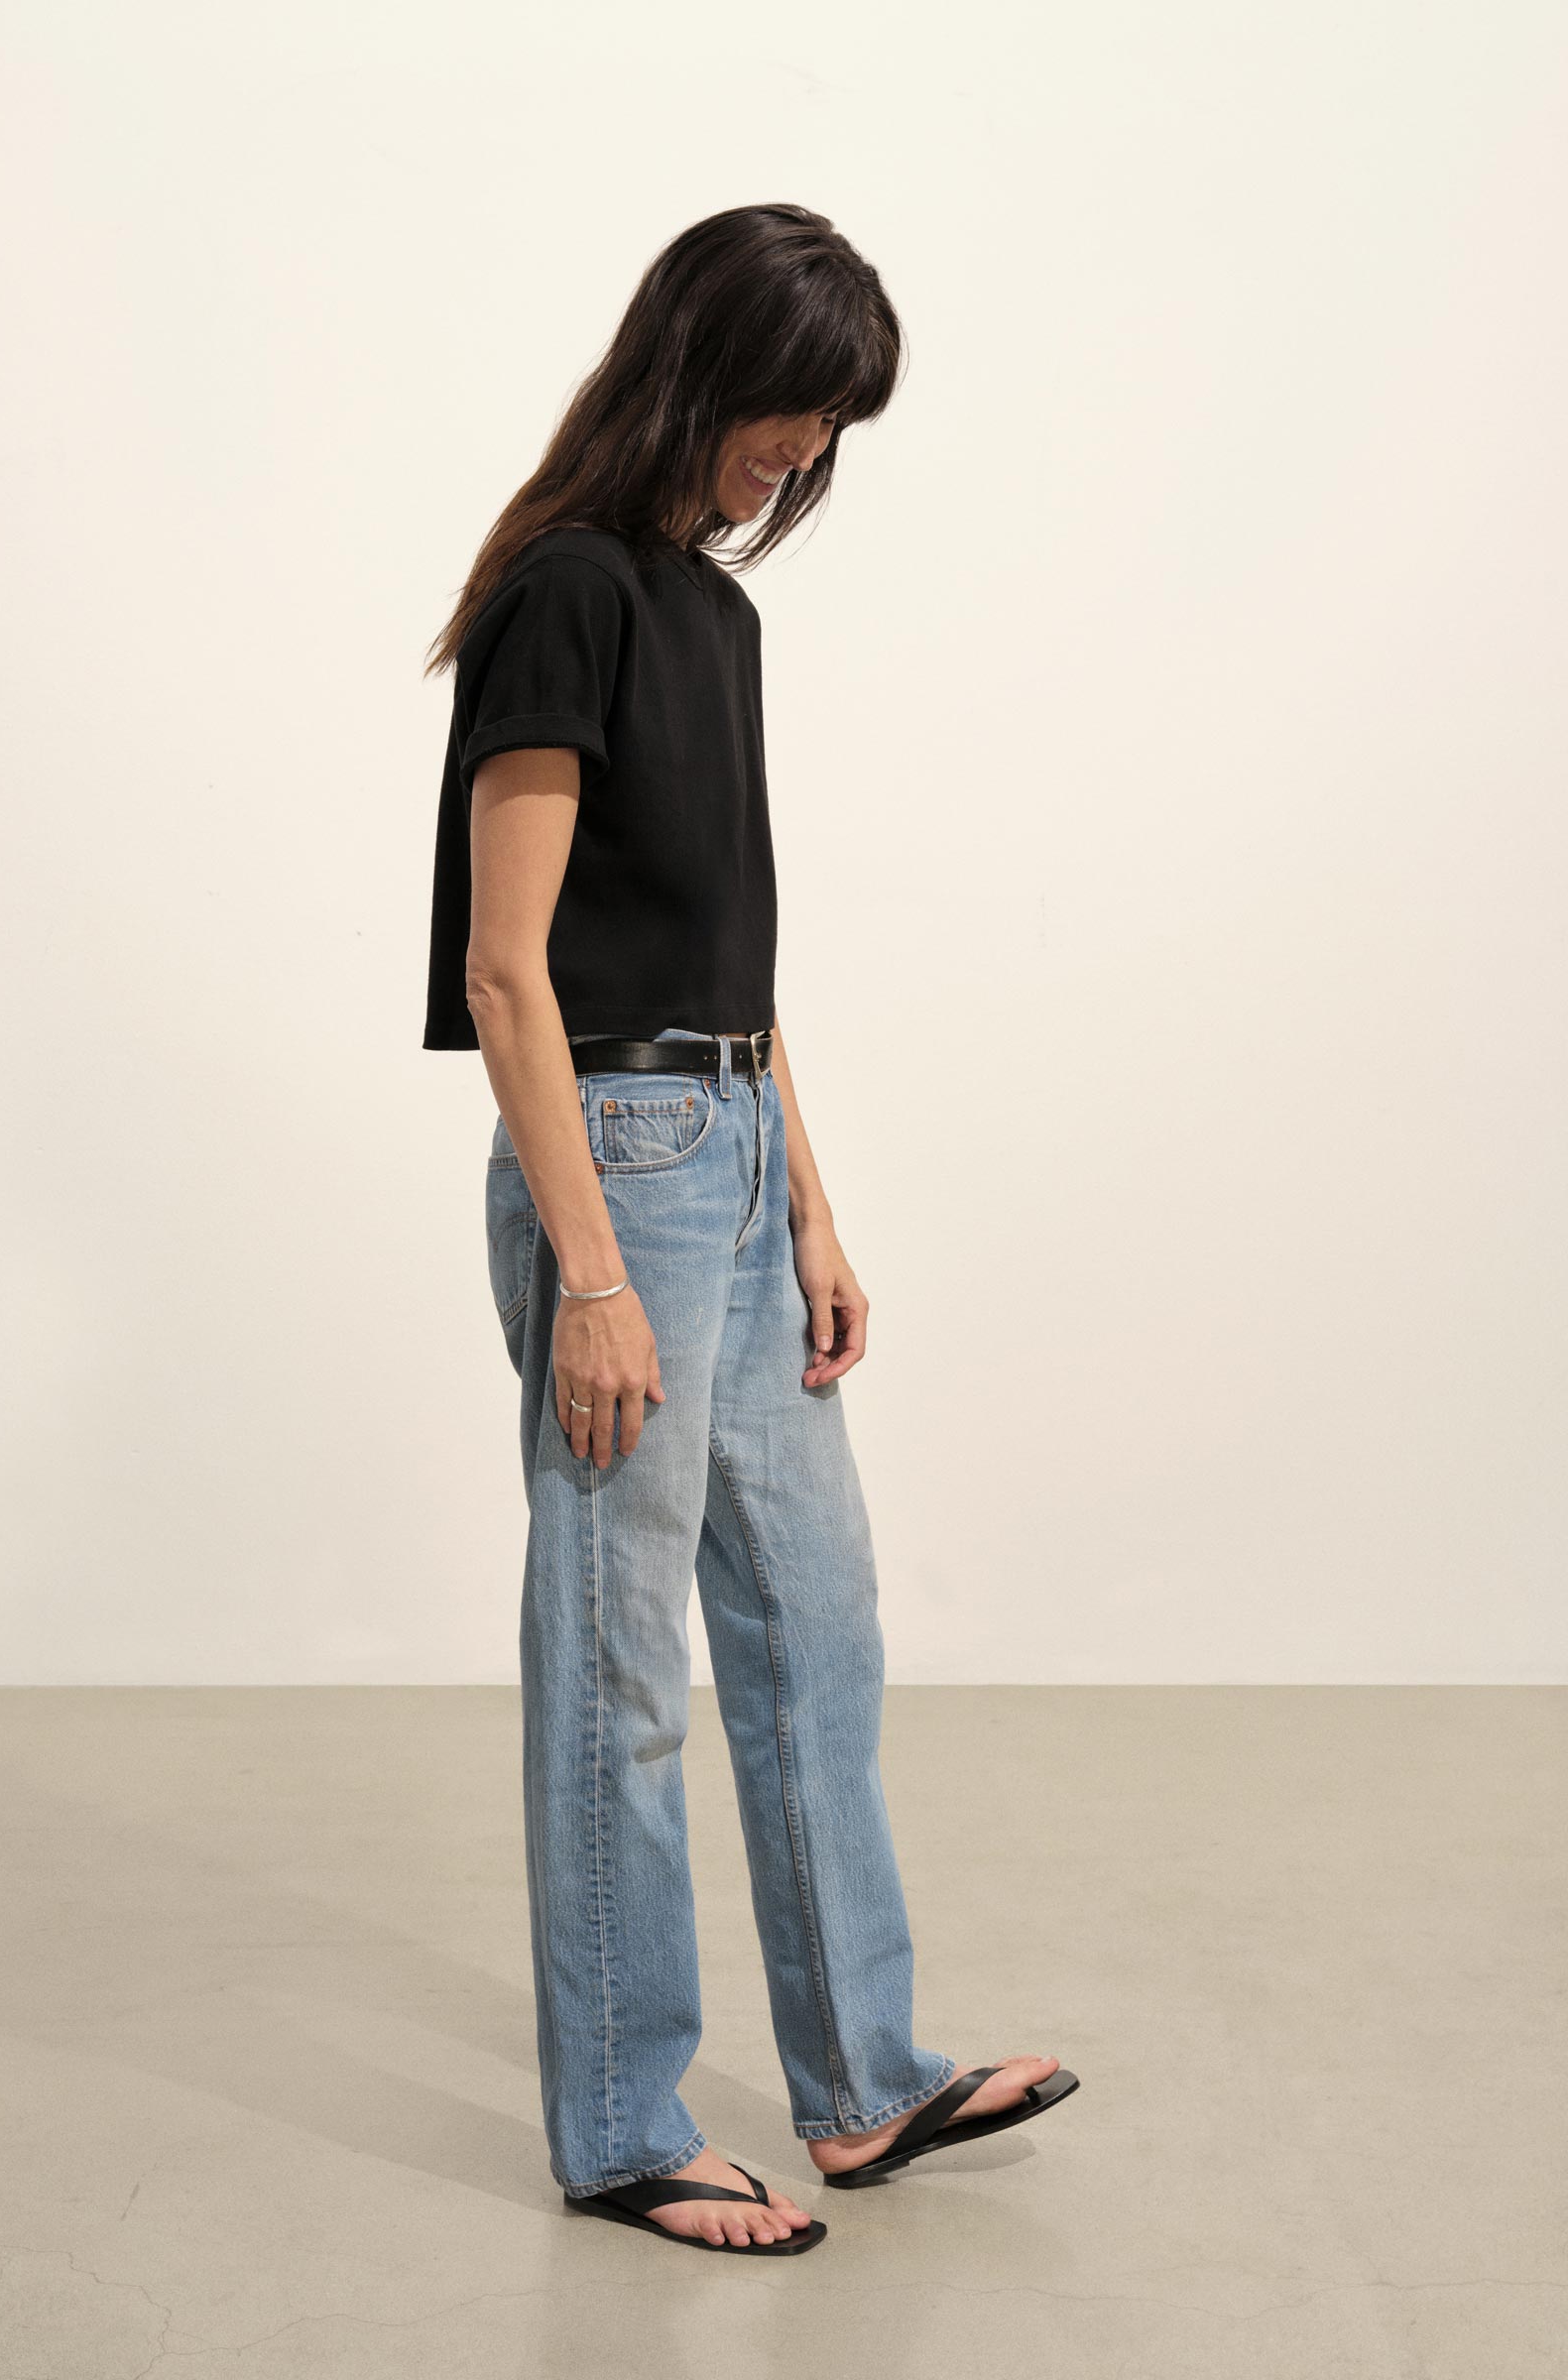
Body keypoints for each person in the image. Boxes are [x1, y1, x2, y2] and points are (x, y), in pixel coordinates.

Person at [421, 203, 1078, 2258]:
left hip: (729, 1137)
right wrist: (595, 1270)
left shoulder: (714, 615)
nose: (806, 451)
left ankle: (863, 2083)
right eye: (794, 406)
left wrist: (812, 1205)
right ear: (702, 370)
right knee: (620, 1661)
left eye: (832, 424)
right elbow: (511, 970)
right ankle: (625, 2127)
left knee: (816, 1622)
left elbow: (737, 957)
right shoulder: (565, 595)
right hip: (612, 1157)